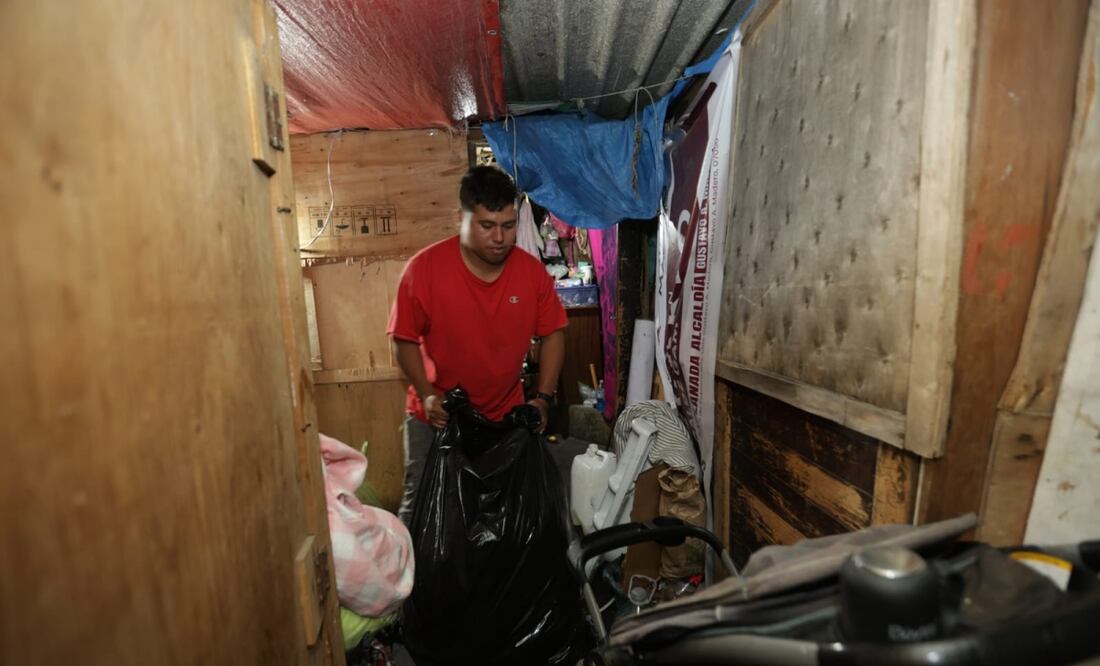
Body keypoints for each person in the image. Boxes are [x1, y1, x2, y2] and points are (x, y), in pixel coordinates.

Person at [386, 165, 567, 524]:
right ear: (461, 219)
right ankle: (412, 582)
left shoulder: (531, 274)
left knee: (503, 516)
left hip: (503, 416)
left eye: (508, 225)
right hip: (435, 417)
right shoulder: (423, 270)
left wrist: (543, 398)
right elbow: (403, 339)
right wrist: (426, 394)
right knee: (422, 509)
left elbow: (555, 333)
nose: (499, 237)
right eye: (486, 225)